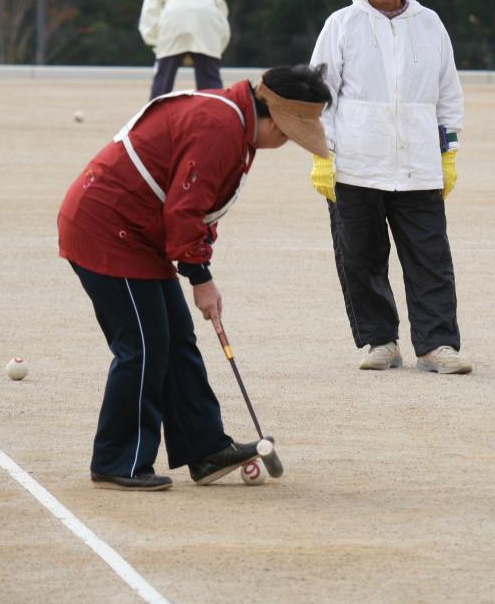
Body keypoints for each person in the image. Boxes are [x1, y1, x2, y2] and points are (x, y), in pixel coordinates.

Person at [58, 65, 332, 490]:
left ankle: (204, 450)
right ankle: (117, 462)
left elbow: (201, 206)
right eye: (290, 134)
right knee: (144, 346)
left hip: (140, 232)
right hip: (108, 229)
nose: (287, 144)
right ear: (274, 117)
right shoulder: (219, 125)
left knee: (176, 338)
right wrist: (200, 277)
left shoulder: (238, 125)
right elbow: (183, 211)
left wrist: (198, 265)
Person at [309, 0, 471, 375]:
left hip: (419, 163)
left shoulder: (430, 23)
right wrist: (323, 155)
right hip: (355, 163)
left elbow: (448, 93)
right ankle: (380, 340)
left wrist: (449, 152)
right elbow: (319, 94)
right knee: (359, 256)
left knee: (430, 256)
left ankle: (438, 344)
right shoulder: (341, 25)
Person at [137, 0, 230, 99]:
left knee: (164, 77)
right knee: (210, 79)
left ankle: (155, 114)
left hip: (173, 24)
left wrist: (157, 43)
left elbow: (149, 15)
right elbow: (222, 16)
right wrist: (215, 47)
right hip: (207, 27)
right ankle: (217, 112)